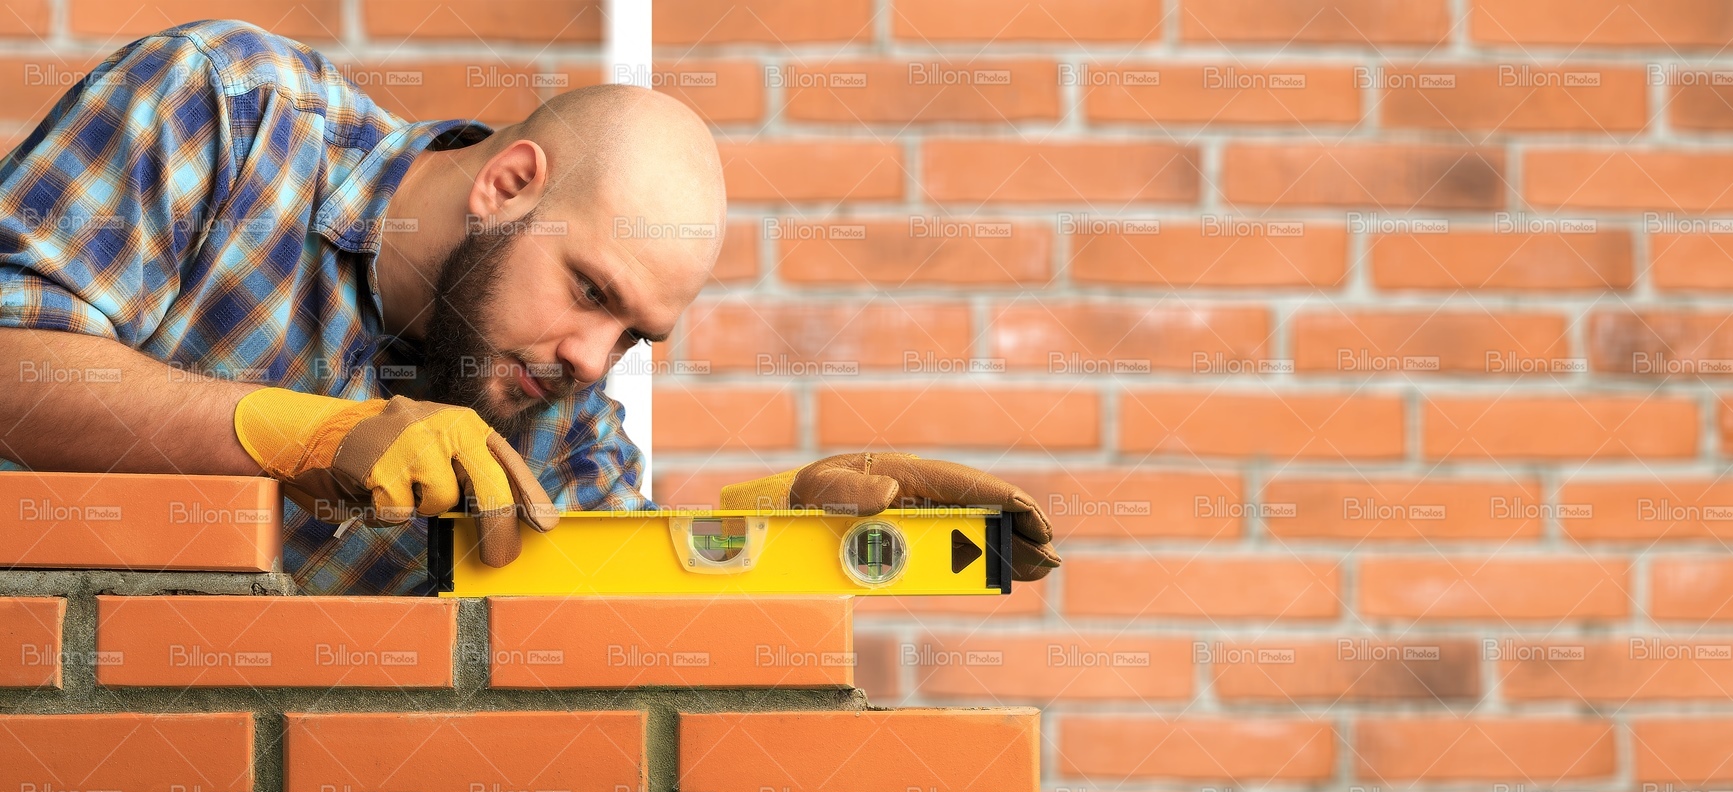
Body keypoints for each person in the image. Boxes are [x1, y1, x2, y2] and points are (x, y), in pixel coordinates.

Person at [0, 20, 1058, 594]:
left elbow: (616, 603)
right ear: (507, 185)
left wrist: (790, 533)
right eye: (591, 291)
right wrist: (304, 434)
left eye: (632, 335)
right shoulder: (228, 113)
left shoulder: (550, 413)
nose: (593, 359)